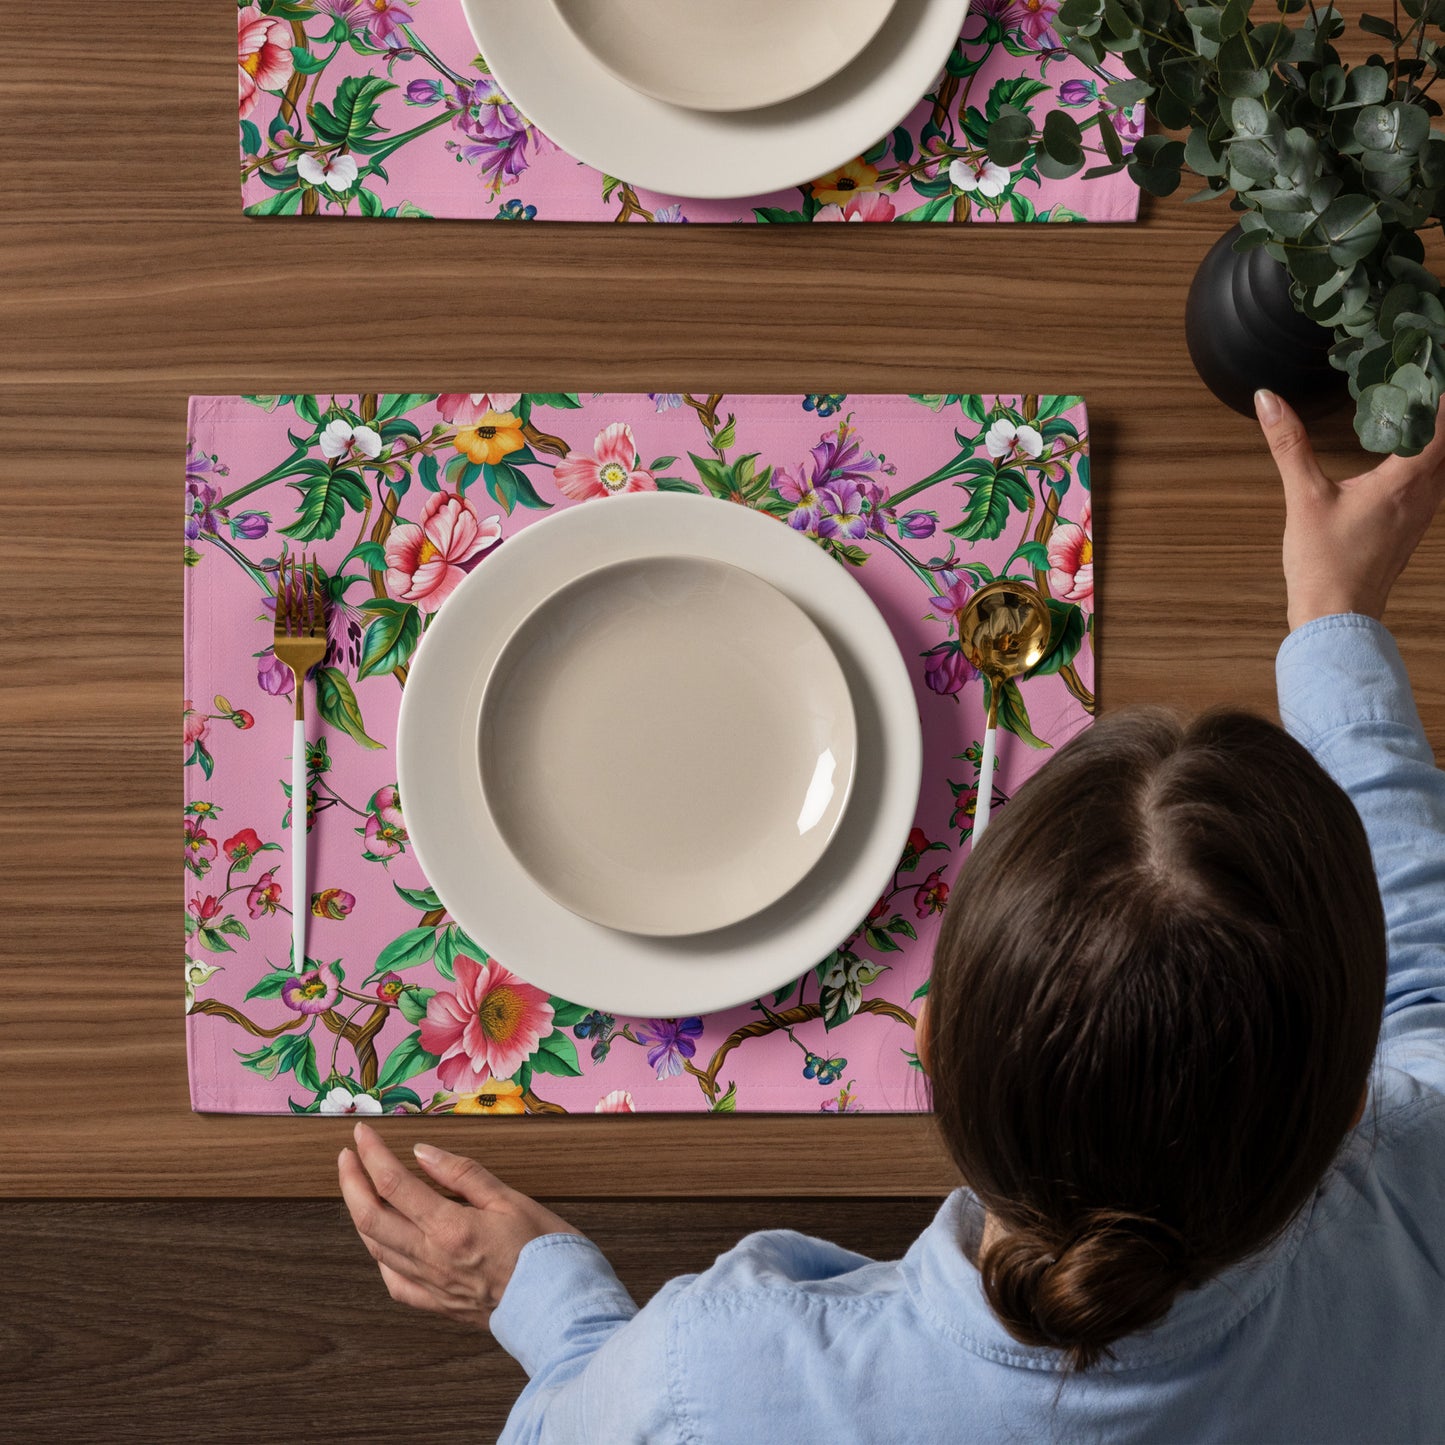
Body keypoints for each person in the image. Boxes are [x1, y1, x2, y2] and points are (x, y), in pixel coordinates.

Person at [338, 390, 1445, 1443]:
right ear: (1350, 1106)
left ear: (924, 1044)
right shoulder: (1418, 1195)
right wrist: (1332, 619)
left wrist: (549, 1305)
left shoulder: (711, 1381)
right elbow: (1424, 987)